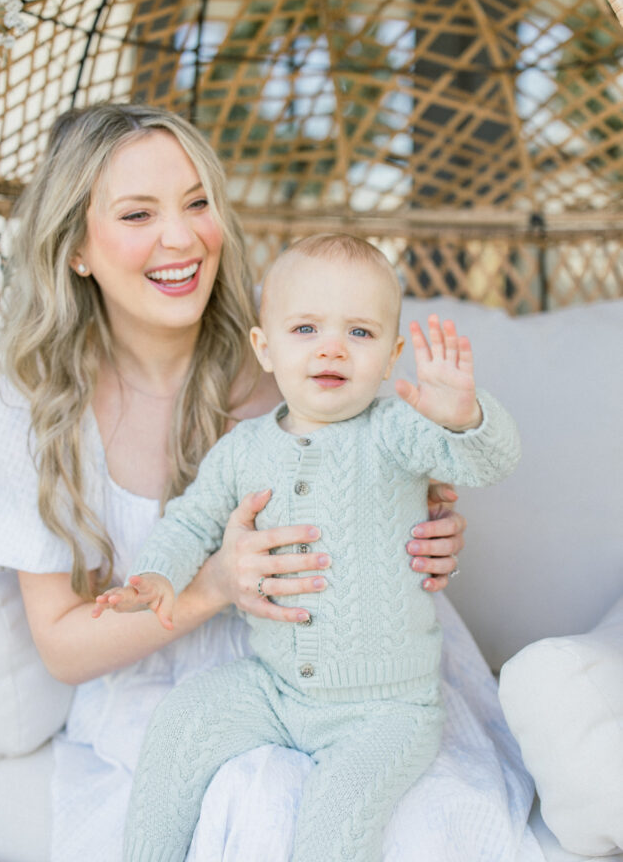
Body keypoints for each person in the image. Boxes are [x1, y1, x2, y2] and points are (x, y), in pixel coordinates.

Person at [0, 103, 468, 862]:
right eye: (138, 213)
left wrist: (426, 529)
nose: (181, 237)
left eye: (198, 203)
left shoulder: (292, 365)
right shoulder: (34, 406)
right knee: (254, 799)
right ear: (76, 249)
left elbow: (394, 477)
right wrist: (212, 586)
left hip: (354, 677)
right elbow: (61, 647)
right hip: (170, 695)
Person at [96, 234, 521, 862]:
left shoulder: (397, 430)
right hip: (275, 688)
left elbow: (490, 461)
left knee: (335, 815)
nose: (331, 347)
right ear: (264, 349)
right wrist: (157, 574)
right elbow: (191, 519)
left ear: (391, 356)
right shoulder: (243, 448)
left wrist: (461, 417)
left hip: (386, 710)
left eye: (360, 332)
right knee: (180, 723)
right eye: (305, 328)